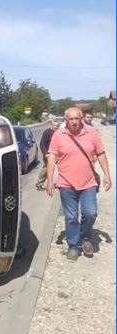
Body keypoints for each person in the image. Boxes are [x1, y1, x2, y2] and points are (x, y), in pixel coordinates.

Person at [46, 107, 112, 261]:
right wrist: (50, 180)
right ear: (65, 119)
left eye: (77, 118)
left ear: (81, 118)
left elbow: (101, 154)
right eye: (71, 119)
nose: (75, 122)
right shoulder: (58, 135)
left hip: (88, 183)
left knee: (91, 213)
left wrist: (107, 175)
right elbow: (52, 158)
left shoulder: (91, 133)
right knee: (71, 217)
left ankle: (83, 235)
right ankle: (74, 245)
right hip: (66, 184)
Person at [35, 120, 60, 190]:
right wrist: (45, 153)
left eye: (57, 126)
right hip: (49, 154)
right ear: (51, 126)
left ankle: (63, 183)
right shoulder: (47, 132)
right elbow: (42, 144)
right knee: (46, 169)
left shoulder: (58, 132)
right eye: (54, 125)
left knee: (62, 167)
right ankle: (39, 184)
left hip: (58, 154)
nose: (56, 127)